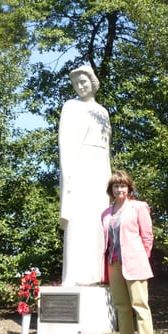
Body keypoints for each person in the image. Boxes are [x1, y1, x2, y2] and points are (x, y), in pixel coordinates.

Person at [59, 65, 111, 286]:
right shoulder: (71, 107)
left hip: (100, 168)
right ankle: (73, 275)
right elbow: (66, 142)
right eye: (76, 83)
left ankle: (95, 275)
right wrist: (67, 175)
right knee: (78, 219)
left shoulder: (103, 111)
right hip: (80, 166)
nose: (80, 86)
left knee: (98, 220)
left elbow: (107, 148)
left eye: (84, 82)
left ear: (93, 82)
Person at [101, 170, 155, 334]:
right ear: (111, 189)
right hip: (113, 264)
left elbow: (147, 236)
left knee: (140, 305)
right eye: (116, 186)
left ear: (129, 188)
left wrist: (142, 257)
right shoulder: (106, 213)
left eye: (123, 185)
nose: (119, 189)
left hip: (135, 263)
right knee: (122, 306)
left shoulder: (139, 207)